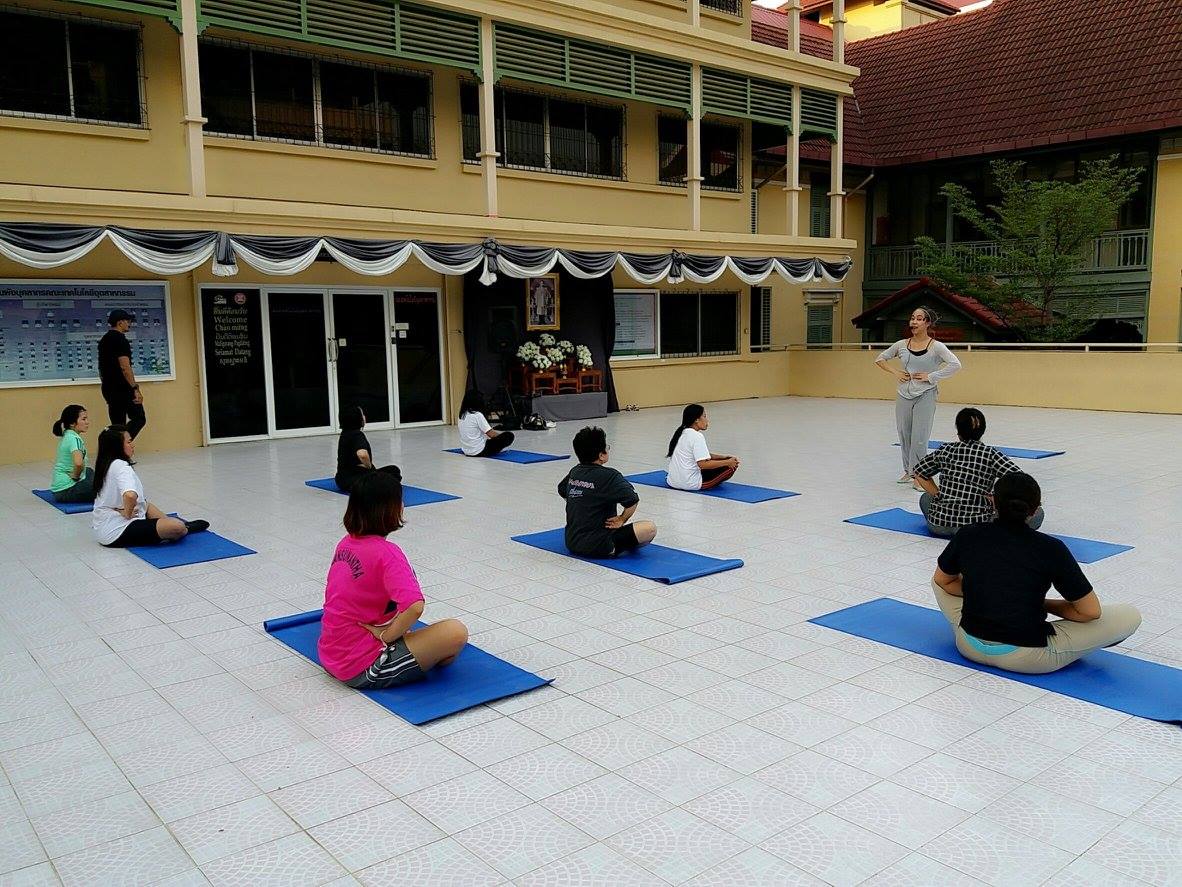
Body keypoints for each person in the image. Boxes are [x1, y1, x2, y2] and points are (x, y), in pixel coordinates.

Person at [931, 471, 1141, 674]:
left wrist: (987, 592)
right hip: (1026, 656)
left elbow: (943, 581)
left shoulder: (968, 534)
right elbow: (1089, 612)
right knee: (1129, 615)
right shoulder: (1051, 548)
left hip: (969, 644)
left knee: (940, 578)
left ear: (993, 501)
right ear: (1035, 510)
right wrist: (1040, 603)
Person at [318, 466, 468, 690]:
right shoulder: (388, 553)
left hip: (330, 654)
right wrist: (387, 636)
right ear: (391, 509)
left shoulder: (346, 543)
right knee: (455, 632)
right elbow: (414, 607)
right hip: (363, 666)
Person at [913, 407, 1044, 536]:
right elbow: (1020, 482)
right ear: (983, 431)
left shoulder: (945, 450)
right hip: (976, 528)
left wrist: (938, 494)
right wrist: (997, 499)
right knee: (1037, 514)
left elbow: (919, 472)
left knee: (926, 498)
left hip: (938, 525)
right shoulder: (991, 454)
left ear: (958, 431)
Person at [875, 306, 962, 485]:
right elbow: (880, 359)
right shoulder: (901, 345)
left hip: (926, 394)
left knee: (920, 437)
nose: (914, 322)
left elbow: (955, 365)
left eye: (919, 318)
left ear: (927, 323)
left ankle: (920, 475)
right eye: (912, 318)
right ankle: (909, 471)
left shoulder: (936, 347)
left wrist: (931, 376)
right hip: (904, 393)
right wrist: (896, 372)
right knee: (904, 433)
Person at [91, 425, 208, 547]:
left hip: (103, 526)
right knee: (177, 527)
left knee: (145, 505)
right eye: (129, 442)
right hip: (118, 531)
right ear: (117, 447)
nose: (133, 445)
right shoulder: (121, 466)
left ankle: (173, 523)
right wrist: (127, 513)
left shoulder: (106, 463)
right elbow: (130, 495)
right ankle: (184, 528)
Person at [558, 426, 657, 557]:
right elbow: (633, 501)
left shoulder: (575, 471)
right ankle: (613, 548)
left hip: (572, 542)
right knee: (649, 528)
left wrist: (582, 502)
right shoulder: (611, 476)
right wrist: (622, 519)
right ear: (601, 455)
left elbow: (562, 490)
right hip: (601, 544)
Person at [665, 404, 740, 491]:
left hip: (672, 482)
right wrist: (728, 462)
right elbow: (703, 464)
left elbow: (701, 455)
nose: (707, 420)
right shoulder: (697, 436)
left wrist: (723, 457)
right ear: (696, 420)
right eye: (704, 416)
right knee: (732, 464)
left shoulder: (681, 433)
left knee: (726, 461)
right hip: (690, 484)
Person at [98, 309, 147, 440]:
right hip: (122, 387)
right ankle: (122, 444)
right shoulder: (120, 340)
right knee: (139, 418)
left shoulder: (104, 340)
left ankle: (116, 447)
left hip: (108, 387)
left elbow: (101, 367)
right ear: (120, 323)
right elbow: (125, 367)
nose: (129, 324)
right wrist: (135, 388)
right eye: (127, 321)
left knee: (118, 424)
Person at [49, 404, 96, 503]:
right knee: (104, 487)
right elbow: (78, 463)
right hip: (67, 491)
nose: (87, 422)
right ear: (72, 423)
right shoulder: (74, 439)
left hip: (59, 490)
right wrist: (75, 477)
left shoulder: (67, 434)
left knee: (89, 471)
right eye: (83, 419)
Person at [457, 390, 515, 457]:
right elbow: (491, 434)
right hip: (479, 451)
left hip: (466, 450)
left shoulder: (461, 415)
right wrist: (500, 437)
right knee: (509, 435)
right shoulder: (477, 415)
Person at [335, 405, 374, 492]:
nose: (364, 417)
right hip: (355, 480)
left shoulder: (344, 433)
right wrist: (369, 466)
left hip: (341, 480)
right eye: (362, 415)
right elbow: (362, 454)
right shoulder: (357, 435)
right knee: (394, 471)